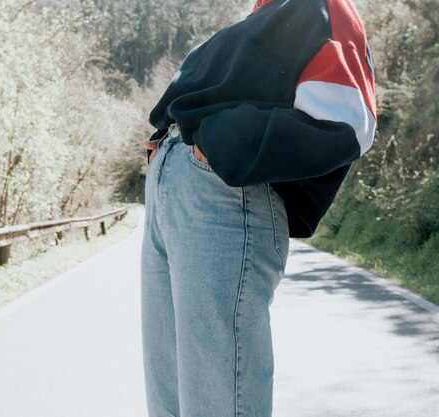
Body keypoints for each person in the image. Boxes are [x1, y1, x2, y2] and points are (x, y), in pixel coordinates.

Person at [140, 0, 376, 416]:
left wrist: (216, 144)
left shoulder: (322, 8)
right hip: (173, 190)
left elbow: (348, 121)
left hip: (222, 193)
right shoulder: (265, 13)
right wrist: (168, 143)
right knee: (170, 401)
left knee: (217, 403)